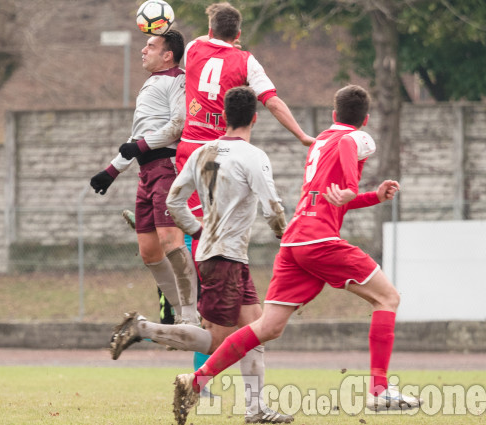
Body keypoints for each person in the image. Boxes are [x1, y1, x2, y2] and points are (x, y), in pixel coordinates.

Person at [172, 85, 424, 423]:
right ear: (364, 119)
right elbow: (350, 162)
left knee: (268, 327)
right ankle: (379, 391)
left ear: (333, 115)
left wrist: (371, 196)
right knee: (388, 298)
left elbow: (329, 197)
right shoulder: (352, 139)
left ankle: (196, 380)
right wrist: (351, 187)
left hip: (294, 241)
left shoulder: (320, 141)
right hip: (318, 240)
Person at [110, 86, 293, 424]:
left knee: (255, 331)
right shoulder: (254, 156)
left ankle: (255, 410)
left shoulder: (202, 152)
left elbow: (174, 202)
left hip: (221, 255)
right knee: (217, 342)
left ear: (224, 117)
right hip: (226, 257)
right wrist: (287, 237)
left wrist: (196, 230)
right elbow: (272, 208)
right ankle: (142, 328)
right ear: (254, 117)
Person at [177, 1, 314, 259]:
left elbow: (203, 39)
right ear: (238, 35)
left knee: (195, 221)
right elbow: (272, 101)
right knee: (223, 225)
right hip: (222, 153)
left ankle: (193, 286)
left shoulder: (193, 47)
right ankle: (209, 284)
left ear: (210, 29)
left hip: (190, 147)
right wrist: (302, 135)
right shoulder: (245, 60)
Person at [89, 30, 199, 326]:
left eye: (150, 46)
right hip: (145, 173)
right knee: (149, 253)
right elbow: (137, 137)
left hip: (166, 167)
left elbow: (178, 126)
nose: (143, 50)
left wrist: (138, 146)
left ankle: (190, 314)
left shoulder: (178, 79)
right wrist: (111, 171)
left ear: (167, 55)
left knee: (171, 241)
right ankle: (184, 309)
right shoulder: (151, 84)